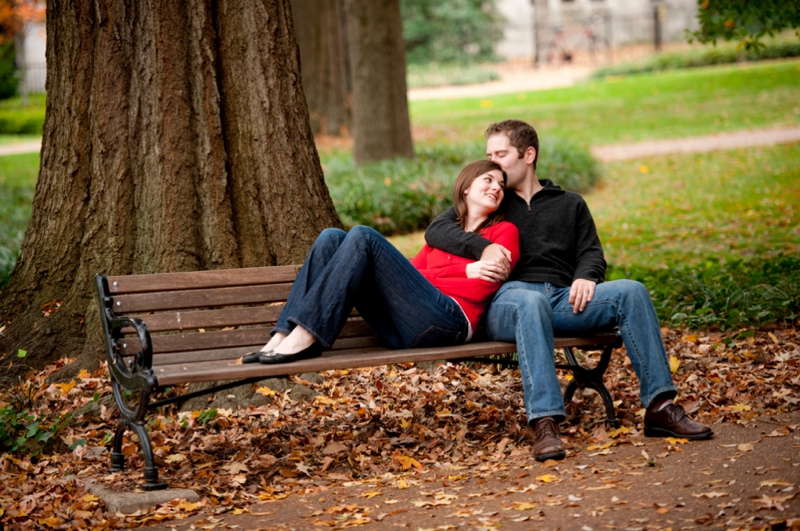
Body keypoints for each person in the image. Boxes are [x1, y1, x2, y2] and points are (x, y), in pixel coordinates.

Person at [425, 120, 712, 462]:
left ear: (528, 155)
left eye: (500, 154)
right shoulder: (493, 199)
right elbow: (437, 231)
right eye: (489, 155)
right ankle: (545, 422)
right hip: (510, 300)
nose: (493, 164)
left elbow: (591, 251)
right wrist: (482, 248)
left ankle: (661, 407)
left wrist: (587, 276)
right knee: (530, 302)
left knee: (631, 292)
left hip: (562, 298)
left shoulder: (570, 203)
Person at [243, 160, 519, 365]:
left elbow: (481, 286)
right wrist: (464, 270)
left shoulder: (504, 232)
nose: (496, 187)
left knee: (364, 236)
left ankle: (306, 336)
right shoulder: (445, 233)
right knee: (331, 238)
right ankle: (283, 334)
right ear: (467, 187)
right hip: (399, 329)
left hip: (449, 322)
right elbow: (414, 275)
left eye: (501, 185)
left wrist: (435, 277)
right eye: (489, 180)